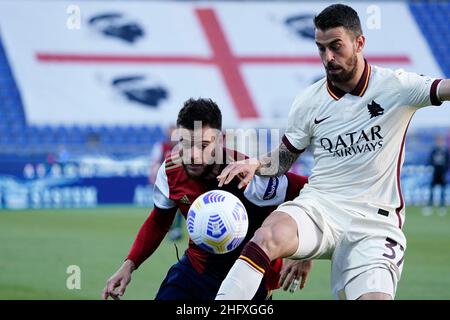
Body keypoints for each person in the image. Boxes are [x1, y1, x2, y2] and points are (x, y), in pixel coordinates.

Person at [215, 4, 450, 300]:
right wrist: (256, 164)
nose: (328, 58)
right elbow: (284, 159)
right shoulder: (308, 101)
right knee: (267, 235)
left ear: (359, 42)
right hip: (320, 208)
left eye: (336, 47)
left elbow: (444, 88)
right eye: (321, 48)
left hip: (375, 224)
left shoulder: (397, 87)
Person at [102, 98, 312, 300]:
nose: (193, 155)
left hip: (249, 275)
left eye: (203, 145)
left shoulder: (250, 174)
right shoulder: (171, 170)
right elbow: (158, 221)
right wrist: (129, 264)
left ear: (220, 141)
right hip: (196, 269)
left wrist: (303, 253)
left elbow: (313, 192)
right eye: (185, 143)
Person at [422, 136, 449, 216]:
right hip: (435, 173)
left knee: (442, 191)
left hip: (442, 173)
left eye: (441, 141)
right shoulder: (434, 150)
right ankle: (429, 206)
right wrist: (430, 168)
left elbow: (448, 162)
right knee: (432, 190)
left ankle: (442, 207)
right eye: (438, 141)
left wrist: (446, 171)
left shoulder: (445, 151)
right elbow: (430, 160)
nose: (439, 142)